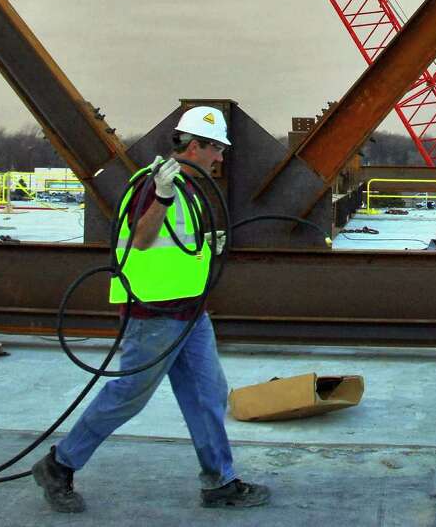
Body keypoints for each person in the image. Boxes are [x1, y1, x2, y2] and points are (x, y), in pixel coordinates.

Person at [32, 106, 270, 513]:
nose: (220, 157)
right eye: (216, 149)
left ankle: (219, 482)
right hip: (153, 313)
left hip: (189, 311)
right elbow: (142, 239)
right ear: (195, 146)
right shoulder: (154, 184)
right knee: (129, 396)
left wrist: (205, 249)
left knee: (207, 393)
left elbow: (176, 244)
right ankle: (59, 465)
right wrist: (162, 195)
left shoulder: (193, 188)